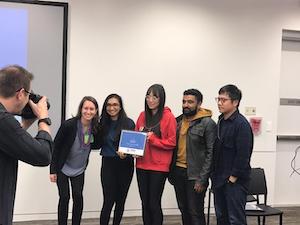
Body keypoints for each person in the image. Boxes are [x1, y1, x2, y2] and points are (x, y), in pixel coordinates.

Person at [0, 65, 53, 225]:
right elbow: (43, 155)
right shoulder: (3, 120)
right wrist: (43, 119)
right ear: (21, 93)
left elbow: (7, 143)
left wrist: (26, 124)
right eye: (28, 94)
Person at [50, 96, 101, 225]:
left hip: (79, 168)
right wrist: (53, 170)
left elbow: (97, 144)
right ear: (81, 109)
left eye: (91, 109)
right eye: (86, 108)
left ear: (96, 111)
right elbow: (56, 147)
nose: (88, 112)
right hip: (63, 167)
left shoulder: (96, 127)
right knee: (65, 197)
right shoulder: (69, 125)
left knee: (78, 197)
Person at [169, 89, 217, 225]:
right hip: (178, 172)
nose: (186, 105)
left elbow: (211, 153)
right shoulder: (178, 121)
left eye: (190, 102)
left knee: (195, 212)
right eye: (184, 101)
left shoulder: (207, 123)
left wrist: (203, 179)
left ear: (199, 103)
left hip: (195, 175)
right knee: (184, 210)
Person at [211, 84, 253, 225]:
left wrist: (233, 177)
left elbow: (243, 154)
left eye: (223, 100)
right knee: (221, 217)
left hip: (234, 181)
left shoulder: (241, 124)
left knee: (235, 219)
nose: (219, 103)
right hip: (219, 178)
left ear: (235, 102)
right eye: (218, 99)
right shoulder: (221, 121)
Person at [135, 84, 177, 225]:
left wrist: (153, 140)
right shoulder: (142, 115)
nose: (150, 100)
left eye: (154, 97)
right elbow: (136, 138)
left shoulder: (169, 117)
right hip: (141, 165)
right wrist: (132, 151)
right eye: (148, 96)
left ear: (161, 99)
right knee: (145, 203)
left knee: (154, 203)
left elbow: (172, 142)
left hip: (159, 167)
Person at [98, 94, 135, 225]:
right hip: (108, 164)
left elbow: (132, 146)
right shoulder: (101, 122)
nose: (111, 108)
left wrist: (127, 154)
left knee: (121, 200)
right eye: (109, 105)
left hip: (125, 165)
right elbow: (95, 143)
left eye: (115, 105)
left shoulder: (129, 123)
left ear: (120, 107)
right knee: (108, 201)